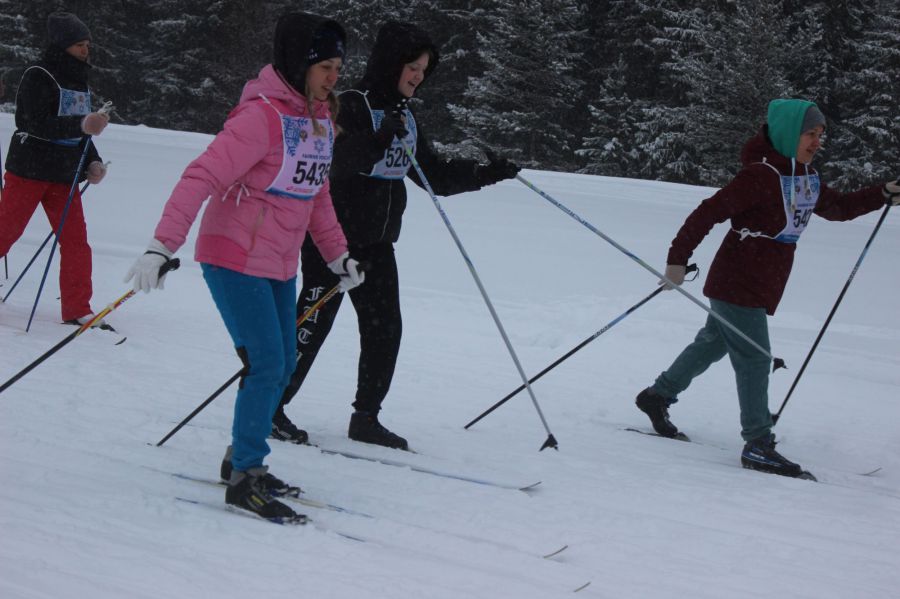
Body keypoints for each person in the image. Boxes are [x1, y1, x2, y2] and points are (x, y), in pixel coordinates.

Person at [124, 13, 364, 522]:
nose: (334, 76)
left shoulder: (317, 117)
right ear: (300, 64)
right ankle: (245, 478)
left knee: (283, 364)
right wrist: (161, 245)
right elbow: (202, 175)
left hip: (278, 260)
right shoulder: (260, 117)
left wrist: (336, 254)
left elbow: (316, 195)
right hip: (232, 256)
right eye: (325, 65)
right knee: (268, 364)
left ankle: (240, 456)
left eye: (338, 66)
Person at [269, 20, 521, 451]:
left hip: (377, 244)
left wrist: (486, 174)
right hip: (332, 243)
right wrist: (376, 139)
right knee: (312, 324)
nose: (418, 76)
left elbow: (433, 175)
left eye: (424, 70)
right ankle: (271, 405)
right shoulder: (348, 105)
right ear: (392, 64)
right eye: (412, 67)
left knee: (386, 328)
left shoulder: (407, 115)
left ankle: (366, 418)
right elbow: (335, 163)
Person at [634, 98, 898, 479]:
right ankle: (758, 442)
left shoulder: (804, 176)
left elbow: (837, 208)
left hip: (764, 278)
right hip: (737, 277)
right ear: (790, 134)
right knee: (756, 355)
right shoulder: (760, 176)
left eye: (821, 135)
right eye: (810, 133)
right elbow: (707, 212)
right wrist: (677, 260)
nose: (817, 141)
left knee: (714, 342)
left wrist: (882, 193)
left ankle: (656, 396)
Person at [0, 11, 110, 326]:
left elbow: (82, 132)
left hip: (64, 176)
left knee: (77, 242)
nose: (86, 49)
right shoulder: (38, 74)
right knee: (5, 233)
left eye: (87, 43)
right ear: (62, 45)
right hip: (29, 171)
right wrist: (81, 123)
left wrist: (92, 161)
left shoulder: (80, 81)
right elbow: (31, 122)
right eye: (79, 44)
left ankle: (77, 309)